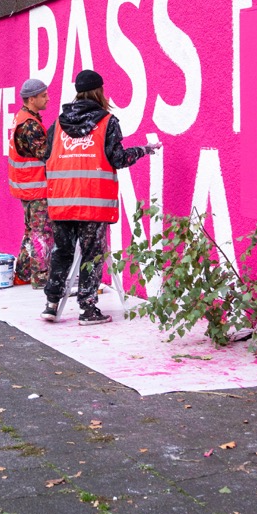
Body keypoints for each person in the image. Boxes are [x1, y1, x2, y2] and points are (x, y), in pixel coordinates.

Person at [42, 69, 160, 325]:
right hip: (92, 202)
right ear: (100, 91)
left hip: (62, 200)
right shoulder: (107, 121)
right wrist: (144, 150)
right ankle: (87, 309)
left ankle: (51, 304)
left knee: (62, 252)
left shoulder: (58, 124)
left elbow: (46, 158)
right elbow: (118, 158)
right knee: (91, 254)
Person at [8, 77, 54, 288]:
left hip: (26, 187)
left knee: (31, 231)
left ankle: (24, 273)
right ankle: (40, 277)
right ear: (32, 98)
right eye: (43, 95)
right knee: (41, 233)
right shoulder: (30, 125)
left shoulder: (22, 117)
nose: (47, 98)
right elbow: (46, 153)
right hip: (36, 188)